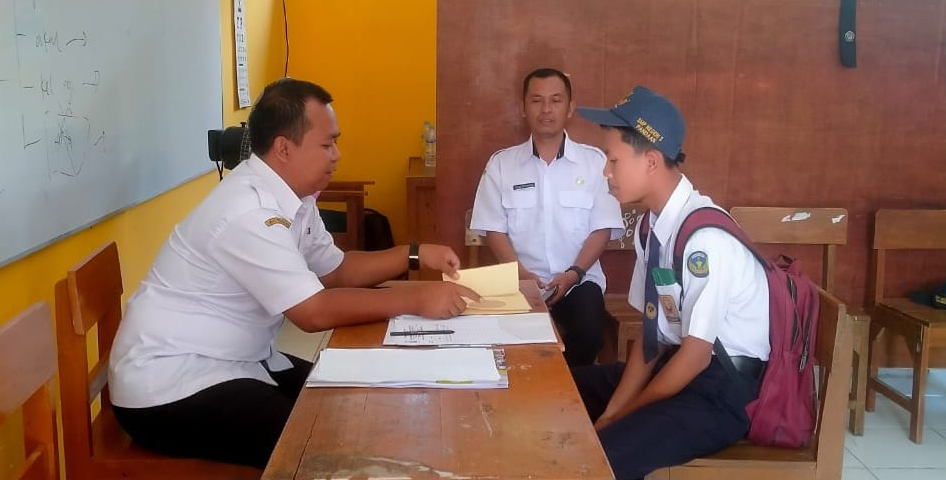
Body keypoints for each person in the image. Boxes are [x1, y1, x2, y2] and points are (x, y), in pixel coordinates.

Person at [108, 78, 478, 469]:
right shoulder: (248, 211)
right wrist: (416, 298)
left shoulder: (293, 197)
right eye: (327, 144)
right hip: (171, 383)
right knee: (323, 445)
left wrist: (413, 254)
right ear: (284, 148)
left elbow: (336, 270)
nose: (337, 155)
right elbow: (312, 313)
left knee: (348, 404)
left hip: (237, 360)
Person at [571, 86, 770, 480]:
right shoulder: (652, 228)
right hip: (676, 366)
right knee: (565, 388)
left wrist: (619, 418)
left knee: (599, 459)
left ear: (650, 162)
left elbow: (696, 358)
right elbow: (652, 341)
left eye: (612, 160)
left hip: (721, 392)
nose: (605, 172)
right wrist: (613, 411)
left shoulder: (704, 239)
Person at [469, 68, 624, 366]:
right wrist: (521, 275)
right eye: (537, 100)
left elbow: (602, 229)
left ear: (570, 108)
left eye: (555, 100)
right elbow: (493, 230)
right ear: (523, 107)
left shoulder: (594, 163)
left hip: (578, 280)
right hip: (519, 282)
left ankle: (570, 388)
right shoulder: (502, 165)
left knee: (590, 332)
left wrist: (573, 273)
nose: (546, 109)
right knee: (509, 349)